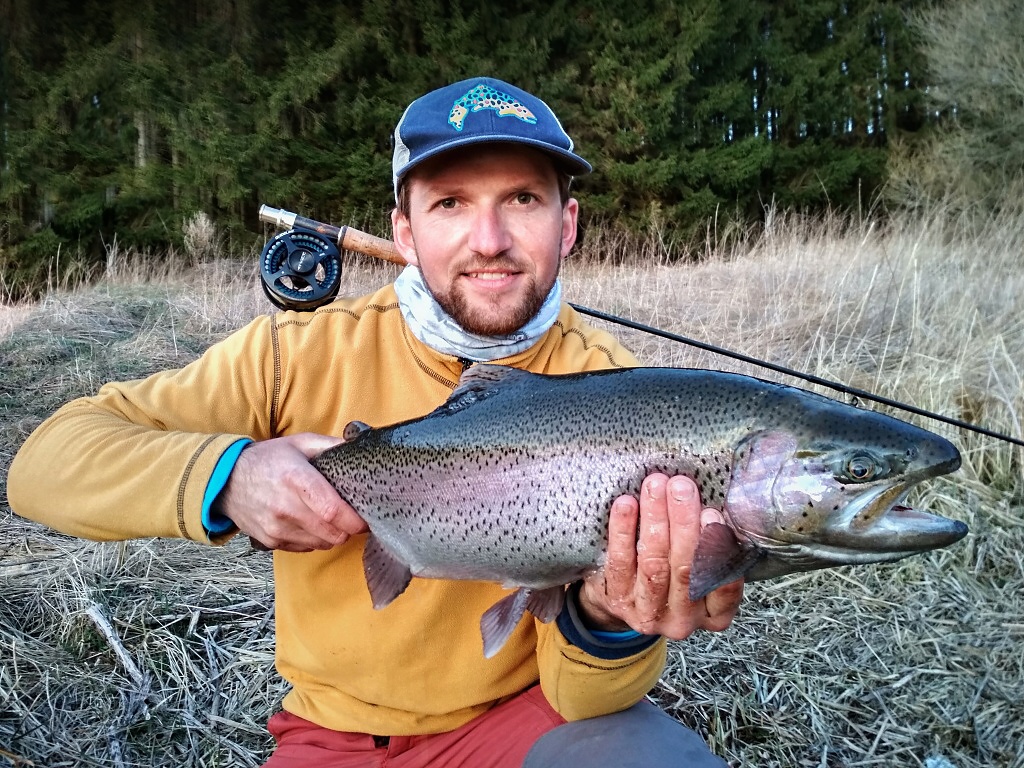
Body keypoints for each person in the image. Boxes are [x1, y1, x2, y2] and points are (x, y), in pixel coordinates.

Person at [8, 76, 744, 767]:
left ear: (569, 222)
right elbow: (46, 464)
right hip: (328, 735)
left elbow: (584, 701)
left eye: (522, 198)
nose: (488, 239)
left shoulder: (620, 389)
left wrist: (609, 618)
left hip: (522, 719)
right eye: (450, 203)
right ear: (404, 229)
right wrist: (229, 475)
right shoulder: (291, 356)